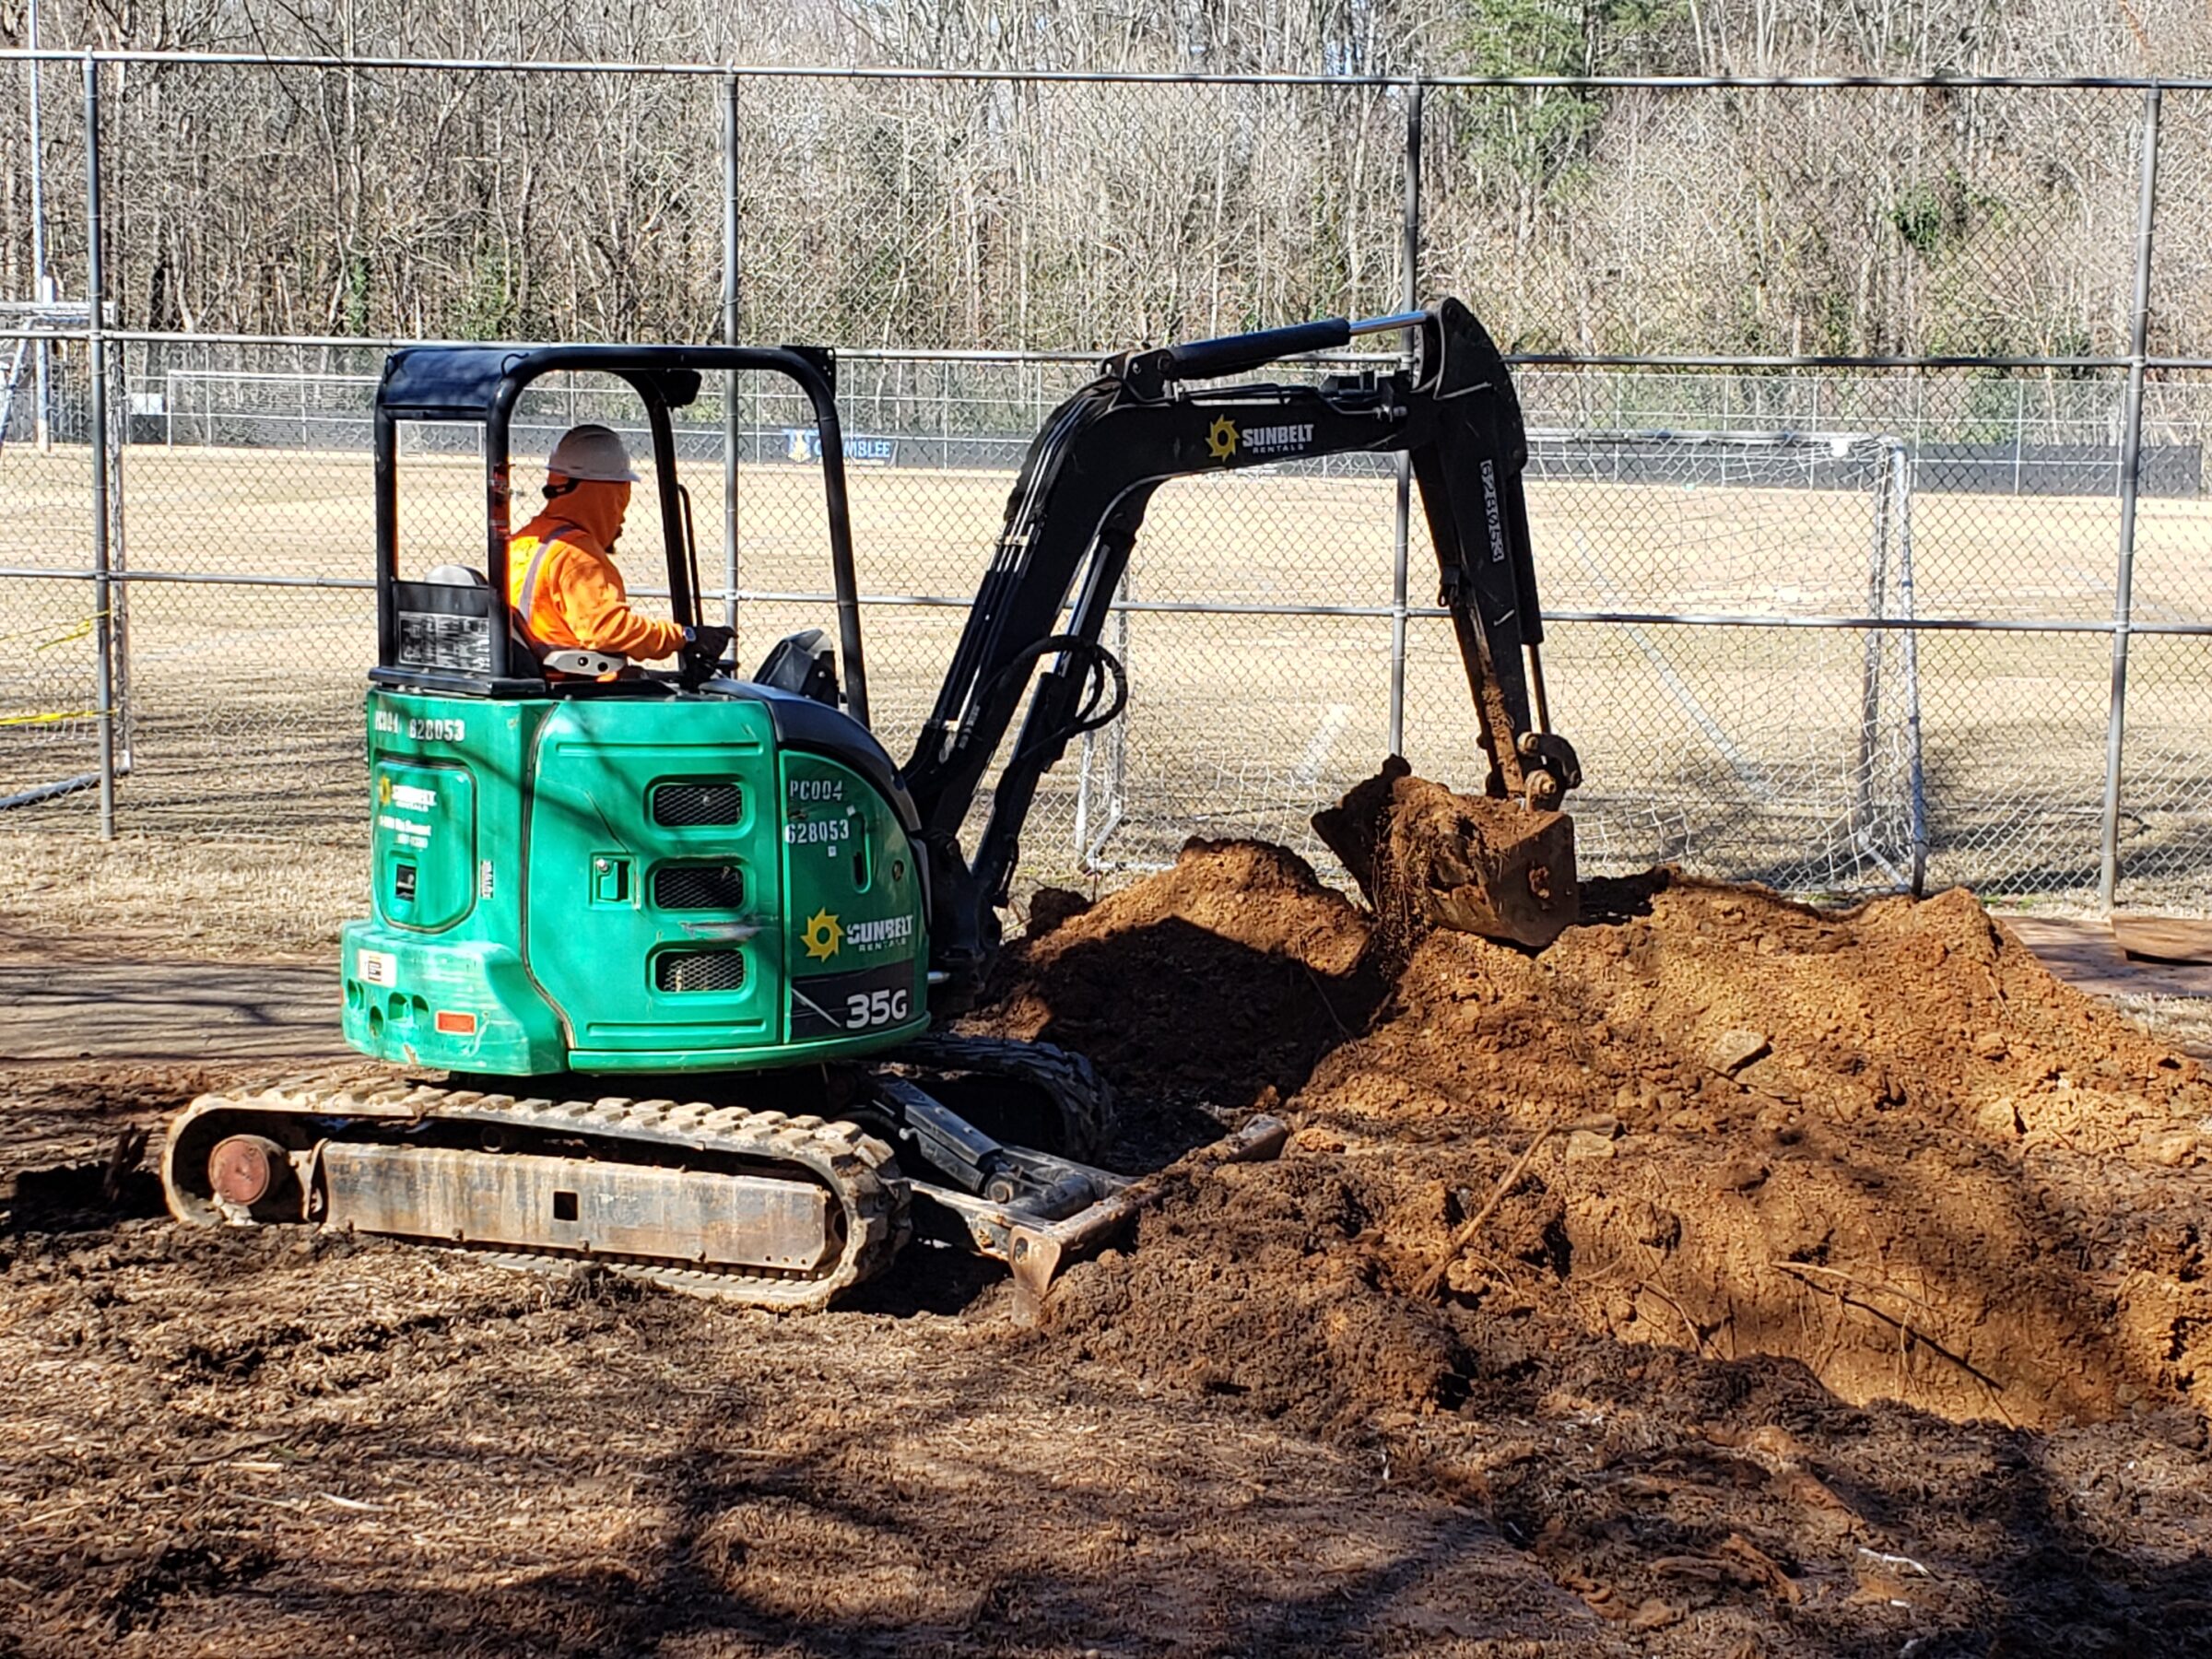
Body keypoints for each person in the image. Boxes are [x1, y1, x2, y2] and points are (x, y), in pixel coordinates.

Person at [507, 423, 731, 672]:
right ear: (607, 494)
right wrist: (685, 636)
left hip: (539, 671)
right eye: (619, 499)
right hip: (577, 685)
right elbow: (607, 630)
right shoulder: (576, 555)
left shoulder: (525, 540)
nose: (621, 517)